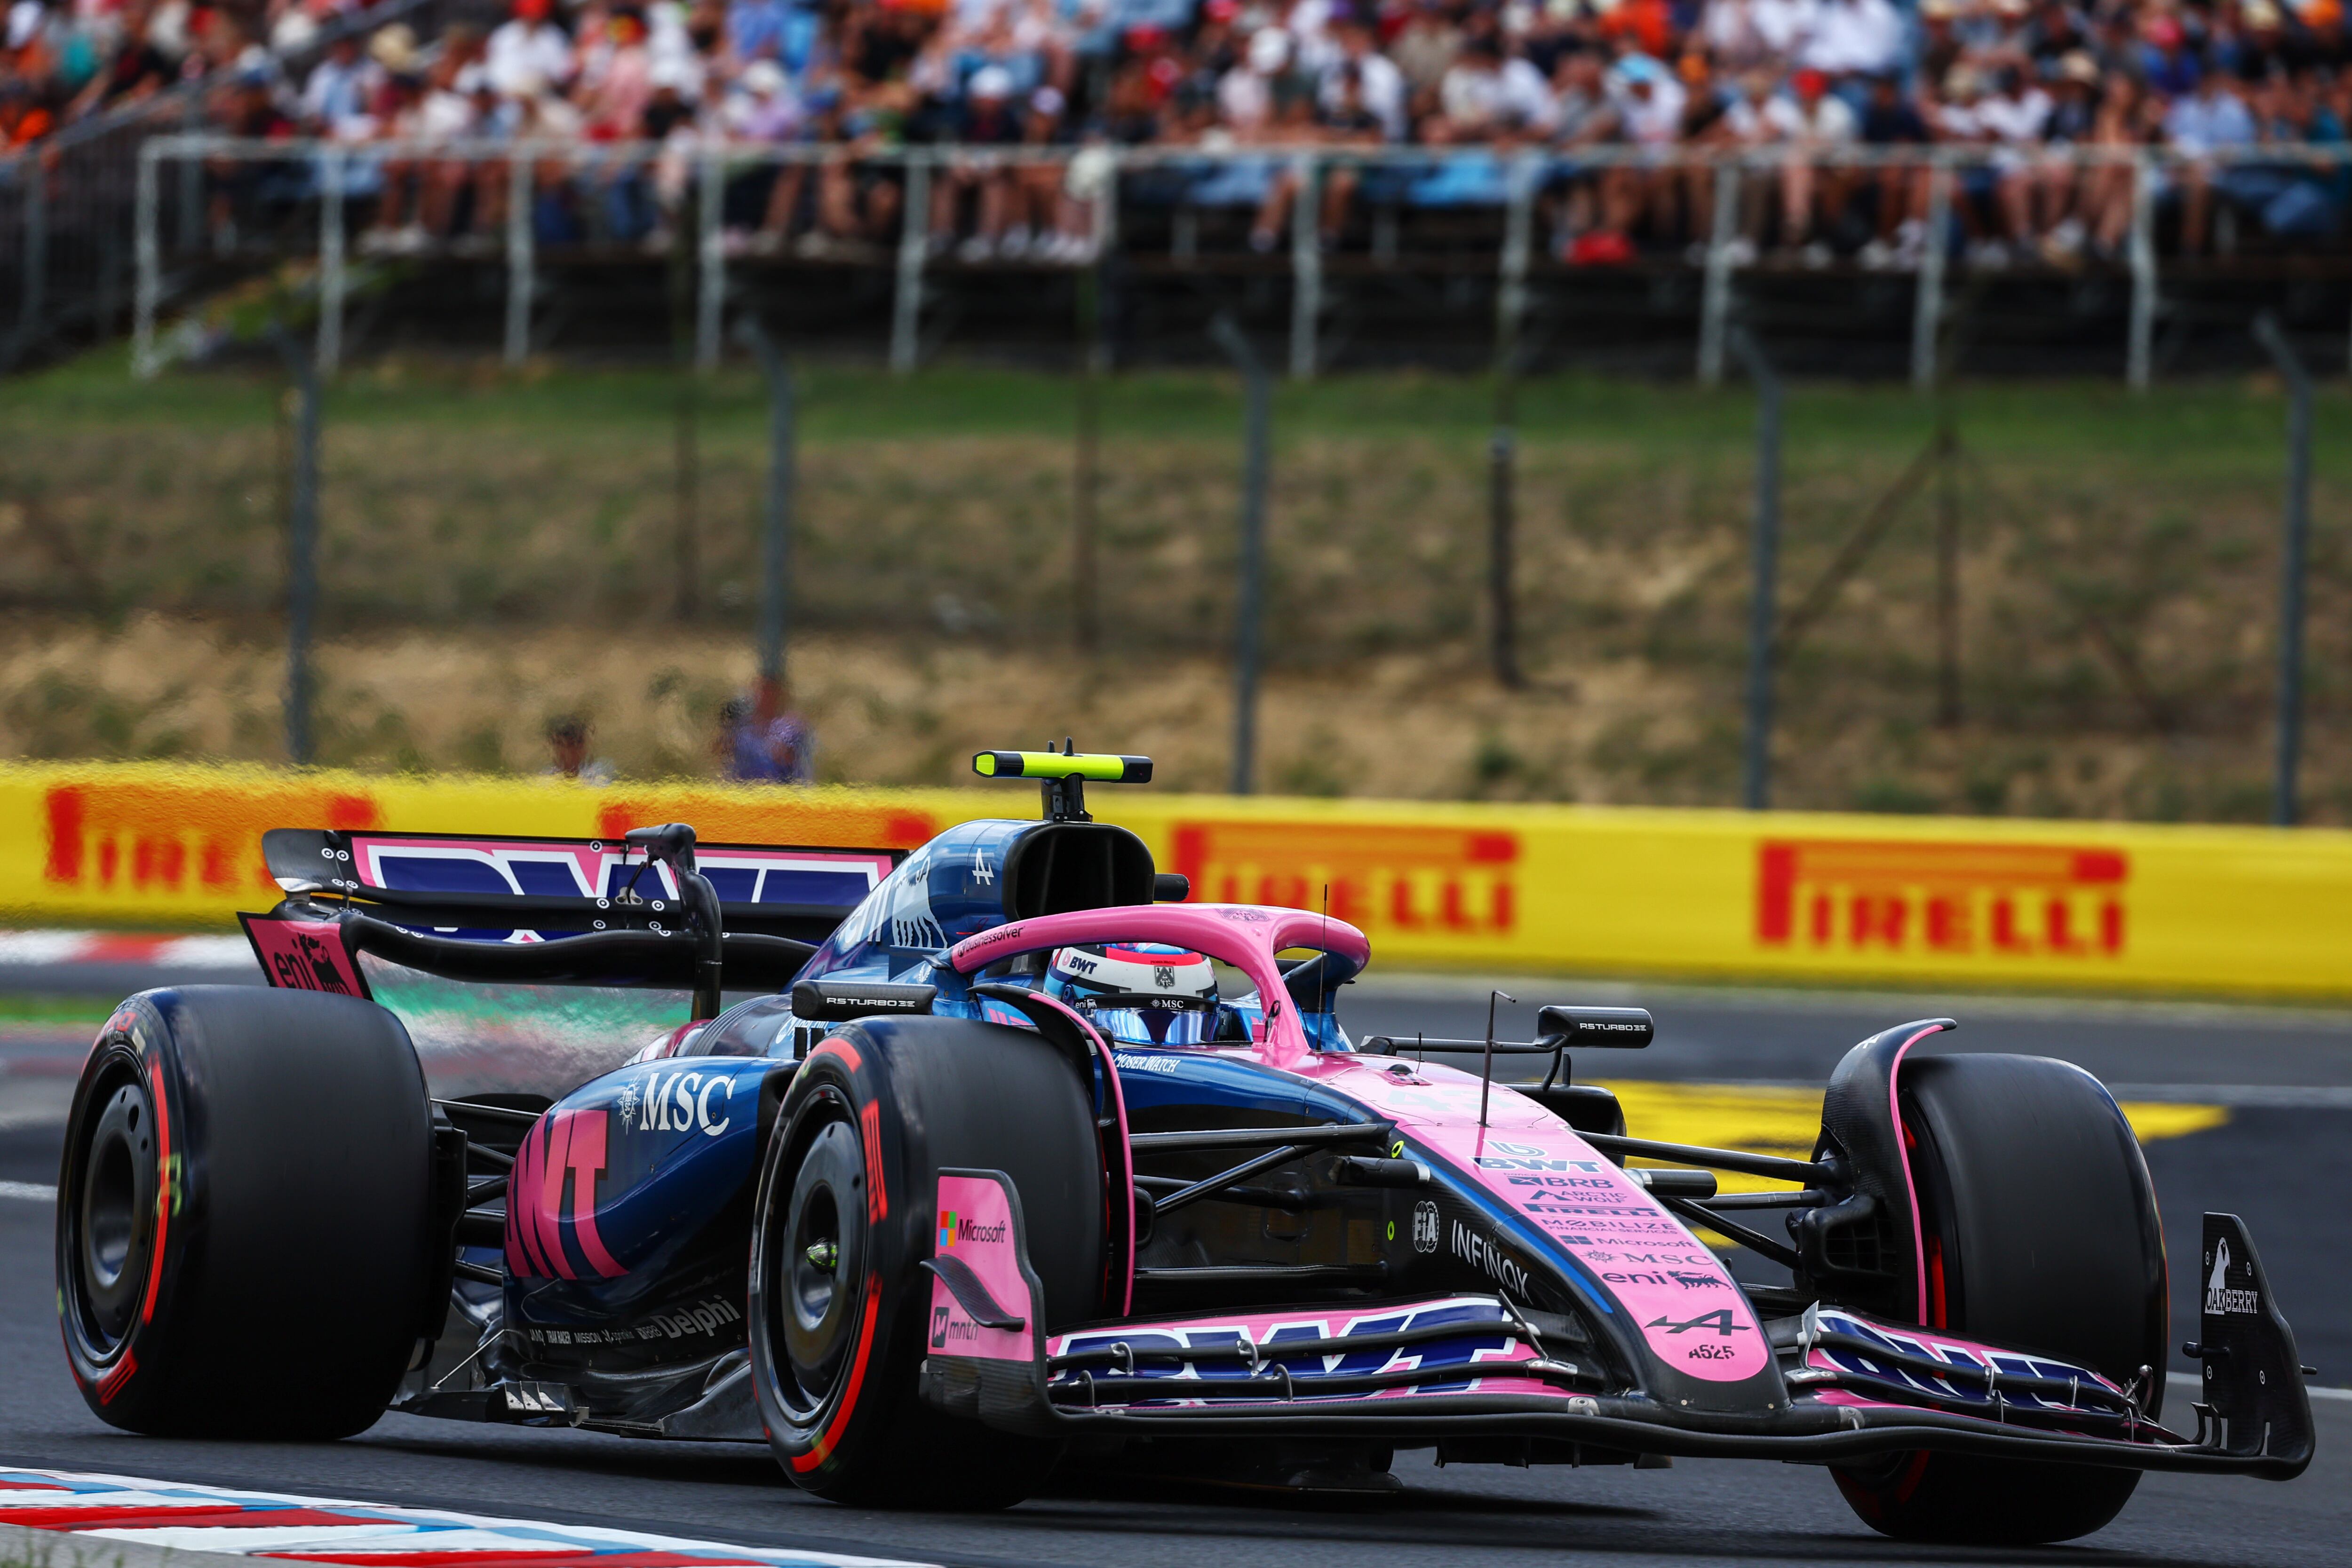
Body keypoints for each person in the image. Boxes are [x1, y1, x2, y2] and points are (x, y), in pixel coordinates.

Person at [725, 678, 814, 783]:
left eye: (771, 693)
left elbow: (795, 761)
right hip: (746, 792)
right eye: (763, 692)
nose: (766, 698)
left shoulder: (792, 728)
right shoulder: (743, 729)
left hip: (781, 793)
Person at [545, 717, 616, 784]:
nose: (569, 753)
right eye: (561, 745)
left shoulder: (603, 771)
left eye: (573, 745)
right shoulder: (547, 778)